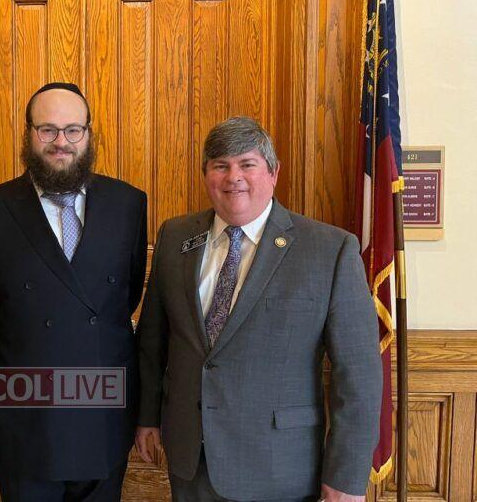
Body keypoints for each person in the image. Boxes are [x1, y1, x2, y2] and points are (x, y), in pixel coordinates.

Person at [135, 116, 382, 502]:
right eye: (221, 165)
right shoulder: (175, 237)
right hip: (191, 463)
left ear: (273, 172)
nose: (233, 177)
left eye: (247, 164)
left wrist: (346, 479)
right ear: (206, 175)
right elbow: (153, 341)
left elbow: (359, 377)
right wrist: (147, 417)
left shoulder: (329, 250)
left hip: (279, 469)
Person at [0, 82, 147, 502]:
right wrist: (30, 348)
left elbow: (125, 296)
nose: (61, 142)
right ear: (29, 134)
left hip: (103, 402)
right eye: (48, 130)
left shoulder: (129, 204)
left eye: (73, 130)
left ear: (88, 134)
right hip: (22, 407)